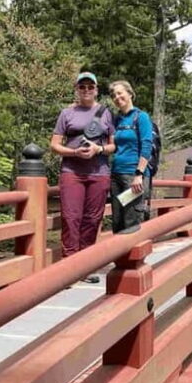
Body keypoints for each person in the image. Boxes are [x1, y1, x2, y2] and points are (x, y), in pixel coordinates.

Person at [50, 72, 115, 283]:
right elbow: (54, 145)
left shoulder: (106, 113)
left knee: (92, 219)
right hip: (72, 172)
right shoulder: (67, 113)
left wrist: (98, 149)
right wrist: (74, 153)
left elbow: (113, 145)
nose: (86, 90)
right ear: (76, 90)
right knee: (71, 217)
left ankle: (85, 267)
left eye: (90, 87)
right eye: (82, 87)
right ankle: (70, 268)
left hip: (99, 172)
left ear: (96, 90)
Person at [108, 80, 153, 233]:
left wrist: (139, 174)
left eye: (120, 93)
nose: (117, 97)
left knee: (131, 219)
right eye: (113, 95)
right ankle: (119, 250)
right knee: (118, 221)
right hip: (116, 176)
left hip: (133, 177)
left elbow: (147, 145)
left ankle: (133, 250)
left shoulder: (141, 117)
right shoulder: (117, 120)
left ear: (130, 94)